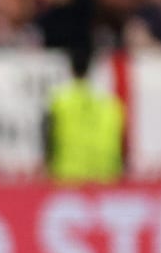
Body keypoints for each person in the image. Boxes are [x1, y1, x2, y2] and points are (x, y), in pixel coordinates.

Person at [45, 46, 125, 183]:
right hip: (105, 174)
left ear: (71, 69)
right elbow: (121, 138)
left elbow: (48, 135)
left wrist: (48, 163)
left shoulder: (59, 101)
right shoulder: (110, 103)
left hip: (68, 175)